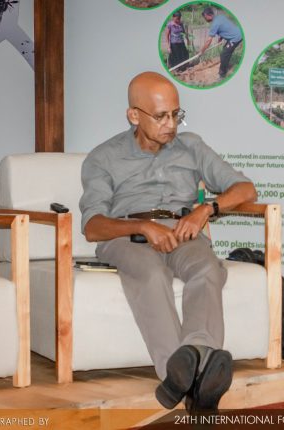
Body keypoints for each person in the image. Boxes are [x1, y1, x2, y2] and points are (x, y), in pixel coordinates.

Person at [79, 71, 257, 413]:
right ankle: (186, 380)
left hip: (181, 231)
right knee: (151, 273)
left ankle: (196, 357)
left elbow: (246, 189)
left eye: (176, 114)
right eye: (161, 116)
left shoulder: (191, 147)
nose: (171, 124)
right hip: (126, 235)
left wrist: (206, 210)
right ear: (134, 115)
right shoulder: (103, 157)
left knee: (207, 268)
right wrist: (144, 226)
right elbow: (92, 226)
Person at [198, 7, 242, 79]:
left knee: (224, 54)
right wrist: (221, 37)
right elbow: (225, 26)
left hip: (235, 38)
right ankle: (226, 65)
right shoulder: (220, 17)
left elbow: (208, 41)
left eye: (205, 17)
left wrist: (202, 51)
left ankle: (222, 75)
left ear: (209, 15)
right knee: (226, 51)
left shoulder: (215, 24)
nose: (205, 19)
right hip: (237, 33)